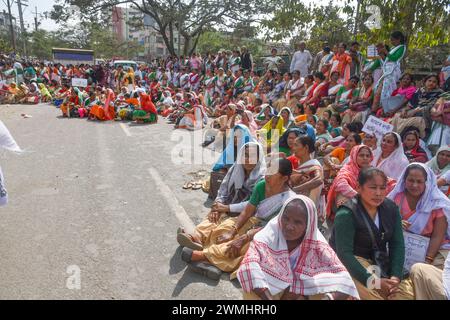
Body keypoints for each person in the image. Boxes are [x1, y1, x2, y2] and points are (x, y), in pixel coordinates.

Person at [180, 158, 296, 279]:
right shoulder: (262, 186)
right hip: (253, 221)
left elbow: (274, 227)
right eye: (268, 170)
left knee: (244, 247)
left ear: (284, 178)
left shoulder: (289, 201)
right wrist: (232, 231)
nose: (267, 175)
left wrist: (244, 238)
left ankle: (202, 256)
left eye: (272, 172)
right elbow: (247, 211)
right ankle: (209, 260)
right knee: (224, 229)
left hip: (267, 233)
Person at [238, 195, 359, 300]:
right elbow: (249, 267)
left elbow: (346, 284)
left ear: (308, 225)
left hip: (297, 293)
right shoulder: (269, 235)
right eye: (286, 218)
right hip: (270, 291)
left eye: (297, 222)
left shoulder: (316, 244)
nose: (289, 226)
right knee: (250, 290)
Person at [331, 168, 415, 300]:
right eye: (373, 187)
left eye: (382, 188)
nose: (378, 193)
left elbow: (397, 244)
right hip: (354, 265)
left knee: (406, 295)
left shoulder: (391, 209)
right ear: (359, 187)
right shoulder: (346, 214)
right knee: (370, 294)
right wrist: (374, 282)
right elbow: (344, 254)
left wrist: (395, 277)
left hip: (380, 263)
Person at [177, 142, 266, 250]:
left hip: (246, 214)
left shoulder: (262, 178)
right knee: (213, 218)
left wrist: (226, 208)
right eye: (245, 155)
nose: (247, 159)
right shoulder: (236, 168)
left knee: (224, 227)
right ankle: (196, 237)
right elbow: (223, 188)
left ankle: (200, 244)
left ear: (259, 158)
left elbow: (252, 204)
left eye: (252, 156)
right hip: (227, 204)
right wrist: (218, 204)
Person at [388, 163, 450, 269]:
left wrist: (428, 259)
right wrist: (396, 223)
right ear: (404, 180)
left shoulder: (437, 203)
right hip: (401, 243)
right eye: (411, 180)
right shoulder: (397, 197)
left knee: (427, 272)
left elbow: (437, 236)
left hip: (434, 248)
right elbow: (384, 221)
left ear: (427, 182)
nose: (414, 185)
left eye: (419, 181)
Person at [326, 145, 373, 224]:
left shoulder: (372, 171)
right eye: (361, 155)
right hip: (350, 201)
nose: (365, 158)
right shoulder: (347, 169)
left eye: (367, 156)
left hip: (364, 202)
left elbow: (386, 182)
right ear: (354, 156)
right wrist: (358, 197)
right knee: (342, 195)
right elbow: (341, 184)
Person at [287, 136, 324, 217]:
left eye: (296, 145)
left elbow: (319, 180)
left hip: (305, 204)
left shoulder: (314, 165)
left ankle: (309, 214)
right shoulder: (293, 161)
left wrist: (295, 189)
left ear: (306, 148)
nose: (293, 148)